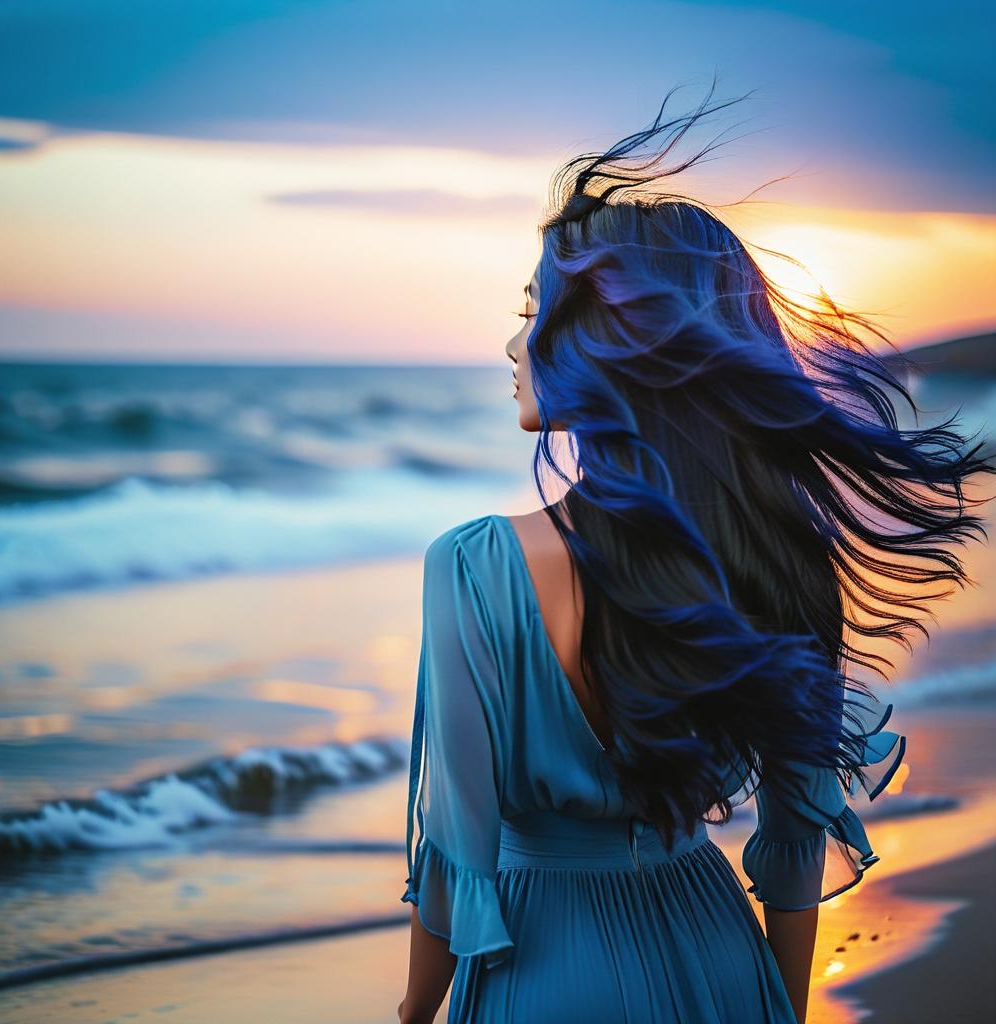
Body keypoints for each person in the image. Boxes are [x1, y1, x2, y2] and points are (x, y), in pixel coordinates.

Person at [396, 81, 994, 1024]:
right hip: (720, 958)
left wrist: (413, 1012)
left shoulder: (474, 566)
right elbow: (796, 847)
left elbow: (457, 850)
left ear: (604, 340)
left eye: (533, 310)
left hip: (541, 975)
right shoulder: (781, 559)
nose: (513, 343)